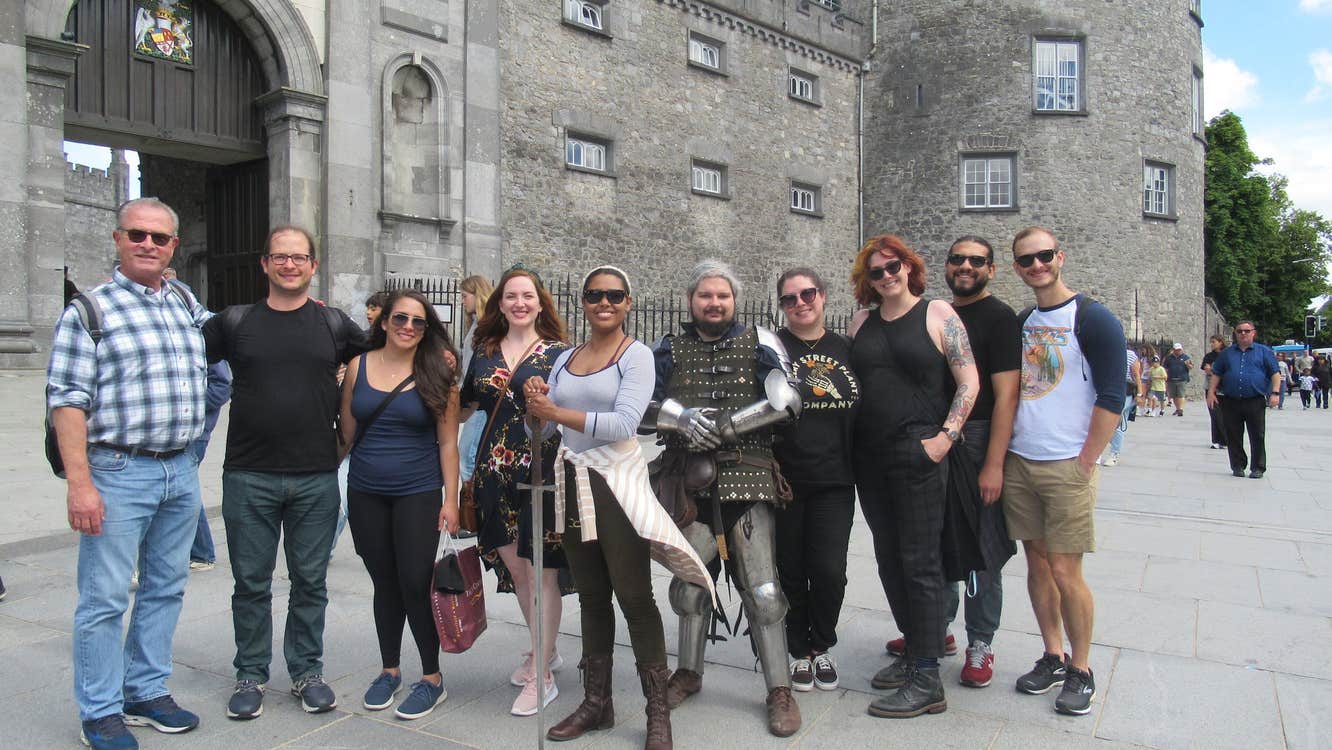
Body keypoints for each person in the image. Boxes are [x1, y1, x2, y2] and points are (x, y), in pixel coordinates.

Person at [526, 266, 713, 749]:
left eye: (614, 295)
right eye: (594, 294)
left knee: (633, 595)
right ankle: (597, 702)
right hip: (572, 480)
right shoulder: (565, 358)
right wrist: (536, 407)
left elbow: (623, 423)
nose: (603, 302)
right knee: (590, 596)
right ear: (583, 302)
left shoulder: (638, 357)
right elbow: (546, 432)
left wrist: (554, 412)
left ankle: (657, 714)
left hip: (616, 484)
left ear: (628, 303)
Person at [47, 197, 210, 750]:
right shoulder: (89, 311)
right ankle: (100, 710)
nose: (148, 244)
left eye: (159, 238)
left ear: (174, 247)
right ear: (117, 239)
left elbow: (233, 348)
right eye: (137, 234)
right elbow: (67, 402)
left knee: (165, 588)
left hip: (179, 470)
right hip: (118, 470)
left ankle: (146, 689)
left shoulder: (185, 301)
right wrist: (80, 484)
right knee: (105, 598)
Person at [203, 225, 368, 721]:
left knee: (310, 582)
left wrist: (348, 438)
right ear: (266, 264)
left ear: (314, 266)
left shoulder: (335, 326)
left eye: (299, 258)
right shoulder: (235, 322)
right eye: (281, 257)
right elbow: (178, 359)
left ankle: (306, 672)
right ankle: (250, 674)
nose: (290, 265)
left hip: (315, 475)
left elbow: (381, 364)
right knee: (250, 583)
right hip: (248, 474)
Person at [649, 259, 804, 737]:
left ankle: (779, 688)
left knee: (763, 591)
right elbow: (637, 403)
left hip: (749, 477)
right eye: (705, 296)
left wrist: (732, 425)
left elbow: (789, 398)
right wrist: (678, 418)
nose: (713, 303)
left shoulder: (760, 341)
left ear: (734, 300)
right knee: (690, 585)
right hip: (687, 483)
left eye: (722, 296)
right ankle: (690, 672)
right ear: (691, 300)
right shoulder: (668, 348)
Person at [847, 235, 980, 719]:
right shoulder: (861, 322)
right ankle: (913, 655)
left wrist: (944, 437)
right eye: (876, 271)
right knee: (888, 559)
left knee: (919, 562)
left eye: (893, 266)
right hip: (871, 457)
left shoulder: (938, 314)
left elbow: (969, 380)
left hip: (920, 452)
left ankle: (928, 677)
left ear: (909, 267)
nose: (886, 276)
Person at [1005, 226, 1126, 716]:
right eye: (1026, 260)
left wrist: (1086, 460)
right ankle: (1052, 653)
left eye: (1044, 256)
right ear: (1017, 268)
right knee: (1036, 563)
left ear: (1061, 257)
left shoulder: (1093, 318)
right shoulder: (1024, 320)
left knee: (1065, 569)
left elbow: (1113, 395)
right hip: (1022, 458)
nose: (1036, 265)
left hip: (1067, 463)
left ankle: (1081, 667)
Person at [340, 289, 461, 720]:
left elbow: (448, 442)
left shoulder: (436, 372)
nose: (408, 327)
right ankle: (389, 669)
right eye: (400, 319)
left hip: (418, 490)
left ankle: (432, 678)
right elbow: (346, 433)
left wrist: (452, 500)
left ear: (427, 329)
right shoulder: (358, 366)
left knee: (414, 582)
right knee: (384, 582)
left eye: (418, 322)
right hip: (366, 489)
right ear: (384, 322)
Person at [459, 267, 572, 716]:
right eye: (511, 296)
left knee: (541, 572)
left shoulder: (560, 354)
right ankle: (544, 649)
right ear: (500, 303)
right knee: (519, 573)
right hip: (492, 476)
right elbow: (463, 404)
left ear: (540, 303)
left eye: (528, 295)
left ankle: (542, 675)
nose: (520, 303)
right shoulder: (483, 351)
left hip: (540, 476)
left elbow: (575, 410)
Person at [770, 267, 860, 694]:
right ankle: (798, 650)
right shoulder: (772, 349)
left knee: (829, 571)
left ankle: (822, 643)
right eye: (790, 298)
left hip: (835, 478)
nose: (800, 303)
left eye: (807, 294)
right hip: (785, 478)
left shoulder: (847, 347)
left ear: (823, 296)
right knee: (790, 567)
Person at [1205, 321, 1280, 479]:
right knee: (1233, 434)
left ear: (1254, 332)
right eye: (1240, 331)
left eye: (1247, 331)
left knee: (1257, 434)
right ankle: (1238, 465)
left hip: (1254, 400)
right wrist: (1211, 392)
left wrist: (1275, 392)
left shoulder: (1264, 352)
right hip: (1231, 400)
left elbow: (1275, 372)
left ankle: (1258, 467)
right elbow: (1217, 372)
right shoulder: (1227, 353)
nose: (1243, 334)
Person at [457, 275, 494, 539]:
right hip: (471, 400)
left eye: (464, 295)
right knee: (468, 455)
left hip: (479, 403)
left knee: (468, 455)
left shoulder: (486, 327)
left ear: (476, 295)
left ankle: (474, 515)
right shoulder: (476, 326)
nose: (461, 301)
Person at [188, 361, 232, 571]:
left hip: (194, 433)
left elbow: (222, 386)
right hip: (180, 431)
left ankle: (201, 552)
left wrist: (186, 405)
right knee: (185, 490)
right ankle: (200, 551)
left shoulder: (201, 333)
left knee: (185, 490)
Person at [1102, 343, 1141, 467]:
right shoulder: (1105, 354)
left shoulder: (1129, 355)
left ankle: (1114, 453)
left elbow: (1136, 375)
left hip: (1125, 390)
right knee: (1105, 421)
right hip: (1109, 388)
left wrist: (1140, 394)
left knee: (1116, 421)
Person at [1201, 335, 1228, 449]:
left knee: (1224, 415)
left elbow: (1226, 370)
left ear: (1221, 342)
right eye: (1211, 342)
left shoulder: (1227, 355)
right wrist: (1213, 371)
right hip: (1210, 387)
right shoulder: (1209, 356)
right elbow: (1206, 369)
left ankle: (1225, 440)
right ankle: (1216, 439)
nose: (1212, 344)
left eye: (1214, 342)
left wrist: (1213, 370)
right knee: (1214, 413)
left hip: (1225, 387)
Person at [1163, 343, 1193, 416]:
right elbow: (1165, 367)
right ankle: (1178, 408)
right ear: (1174, 350)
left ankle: (1181, 409)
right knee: (1174, 395)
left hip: (1182, 378)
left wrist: (1188, 365)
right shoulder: (1169, 358)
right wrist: (1165, 376)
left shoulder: (1185, 357)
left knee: (1181, 394)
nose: (1178, 351)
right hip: (1171, 378)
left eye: (1180, 350)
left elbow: (1191, 367)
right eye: (1177, 350)